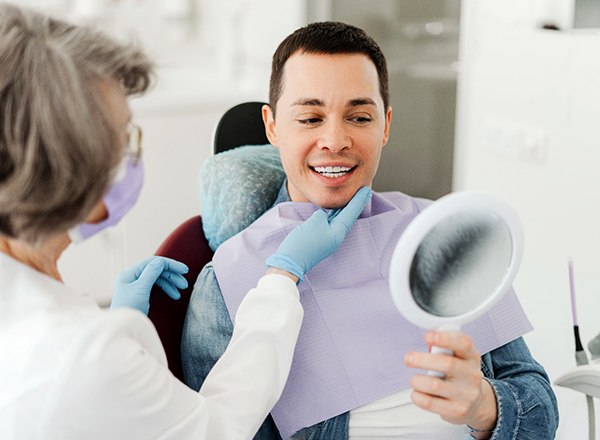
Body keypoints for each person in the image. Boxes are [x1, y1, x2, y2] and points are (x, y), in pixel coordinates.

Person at [0, 4, 371, 439]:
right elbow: (217, 429)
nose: (334, 140)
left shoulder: (73, 335)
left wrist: (120, 323)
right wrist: (281, 275)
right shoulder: (85, 354)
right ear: (64, 166)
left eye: (360, 116)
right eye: (122, 140)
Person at [181, 21, 559, 439]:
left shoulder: (446, 238)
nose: (335, 139)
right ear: (272, 126)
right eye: (310, 118)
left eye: (359, 117)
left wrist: (486, 406)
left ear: (385, 125)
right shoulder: (228, 283)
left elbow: (541, 413)